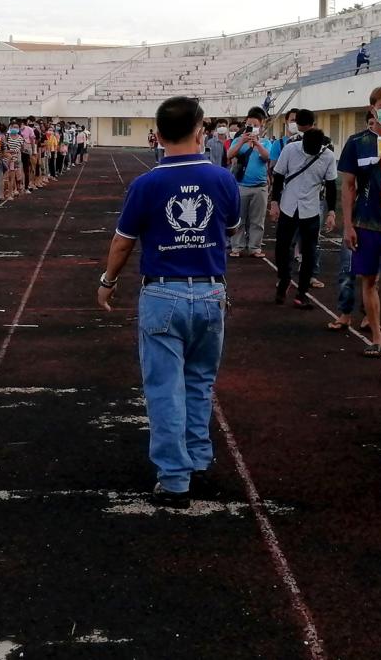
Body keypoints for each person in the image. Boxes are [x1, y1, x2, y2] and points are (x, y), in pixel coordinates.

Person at [97, 95, 239, 506]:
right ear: (201, 132)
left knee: (164, 388)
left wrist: (107, 280)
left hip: (162, 291)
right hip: (211, 290)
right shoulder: (222, 179)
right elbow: (228, 228)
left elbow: (124, 242)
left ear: (156, 136)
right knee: (199, 382)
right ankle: (197, 459)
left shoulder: (146, 183)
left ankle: (174, 479)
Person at [335, 87, 381, 351]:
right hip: (365, 224)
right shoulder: (356, 143)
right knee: (369, 281)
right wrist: (348, 225)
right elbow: (348, 187)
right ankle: (376, 336)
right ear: (372, 108)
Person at [270, 109, 338, 307]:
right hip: (289, 206)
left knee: (310, 251)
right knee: (282, 247)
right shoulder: (291, 150)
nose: (310, 153)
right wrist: (274, 203)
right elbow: (279, 175)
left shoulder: (328, 156)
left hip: (311, 209)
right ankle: (283, 281)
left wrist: (331, 212)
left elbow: (332, 185)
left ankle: (302, 293)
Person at [226, 107, 279, 259]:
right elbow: (229, 155)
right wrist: (242, 141)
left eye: (255, 125)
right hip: (241, 185)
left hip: (260, 186)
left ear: (261, 126)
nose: (252, 127)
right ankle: (237, 246)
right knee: (239, 218)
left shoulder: (266, 142)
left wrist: (257, 144)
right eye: (249, 124)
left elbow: (266, 157)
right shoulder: (238, 140)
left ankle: (255, 247)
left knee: (257, 220)